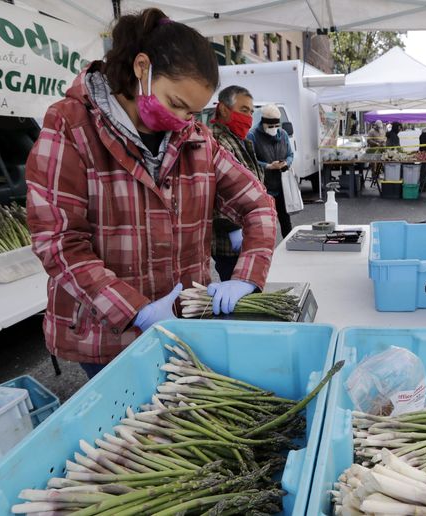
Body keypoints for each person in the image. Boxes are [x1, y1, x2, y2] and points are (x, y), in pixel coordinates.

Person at [25, 9, 277, 378]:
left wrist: (247, 275)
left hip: (186, 322)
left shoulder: (196, 139)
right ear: (142, 68)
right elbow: (60, 243)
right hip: (108, 336)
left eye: (192, 112)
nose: (182, 120)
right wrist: (135, 310)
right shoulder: (70, 127)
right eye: (176, 104)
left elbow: (258, 205)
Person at [209, 85, 265, 281]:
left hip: (247, 232)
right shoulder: (215, 141)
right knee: (239, 290)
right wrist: (232, 229)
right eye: (243, 110)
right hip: (230, 240)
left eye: (251, 111)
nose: (249, 117)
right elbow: (213, 190)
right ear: (224, 109)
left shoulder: (238, 139)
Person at [248, 104, 293, 238]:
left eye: (276, 126)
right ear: (263, 123)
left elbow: (290, 154)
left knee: (285, 220)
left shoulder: (283, 134)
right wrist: (268, 166)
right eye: (271, 126)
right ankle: (267, 253)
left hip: (282, 186)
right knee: (267, 223)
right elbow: (250, 161)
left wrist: (286, 163)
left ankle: (288, 248)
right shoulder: (253, 136)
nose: (274, 129)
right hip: (264, 188)